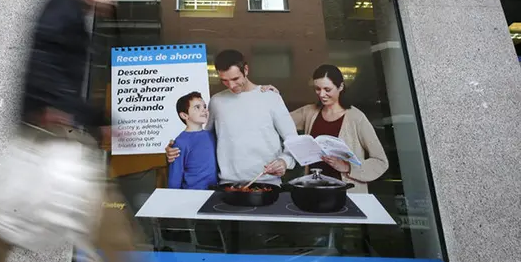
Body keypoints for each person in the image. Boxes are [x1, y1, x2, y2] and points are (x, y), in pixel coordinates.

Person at [0, 0, 172, 262]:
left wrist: (94, 119)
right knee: (35, 207)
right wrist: (49, 106)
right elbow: (43, 59)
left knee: (12, 210)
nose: (109, 3)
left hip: (50, 122)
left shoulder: (73, 17)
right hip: (48, 126)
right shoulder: (63, 7)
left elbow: (54, 68)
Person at [166, 50, 297, 185]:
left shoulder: (271, 97)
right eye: (225, 81)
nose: (231, 86)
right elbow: (204, 140)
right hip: (227, 185)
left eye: (235, 79)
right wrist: (176, 149)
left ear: (246, 70)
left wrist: (284, 162)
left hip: (268, 182)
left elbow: (293, 139)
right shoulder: (216, 101)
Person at [289, 64, 388, 193]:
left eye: (327, 89)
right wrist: (271, 95)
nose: (322, 94)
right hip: (313, 190)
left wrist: (347, 167)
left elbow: (380, 161)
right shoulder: (309, 111)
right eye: (317, 89)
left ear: (340, 87)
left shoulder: (356, 117)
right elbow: (278, 121)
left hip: (347, 194)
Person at [167, 91, 217, 190]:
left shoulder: (211, 135)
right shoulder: (181, 142)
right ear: (184, 115)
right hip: (192, 193)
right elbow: (175, 176)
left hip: (215, 192)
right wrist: (172, 197)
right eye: (197, 107)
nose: (203, 110)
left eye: (204, 107)